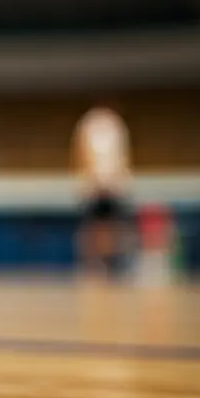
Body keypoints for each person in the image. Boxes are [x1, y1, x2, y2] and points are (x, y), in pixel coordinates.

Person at [71, 105, 132, 277]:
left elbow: (123, 157)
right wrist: (92, 181)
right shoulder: (88, 126)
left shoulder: (116, 127)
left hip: (112, 185)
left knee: (112, 225)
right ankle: (93, 264)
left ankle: (111, 262)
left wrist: (116, 180)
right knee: (94, 227)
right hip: (93, 186)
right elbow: (82, 155)